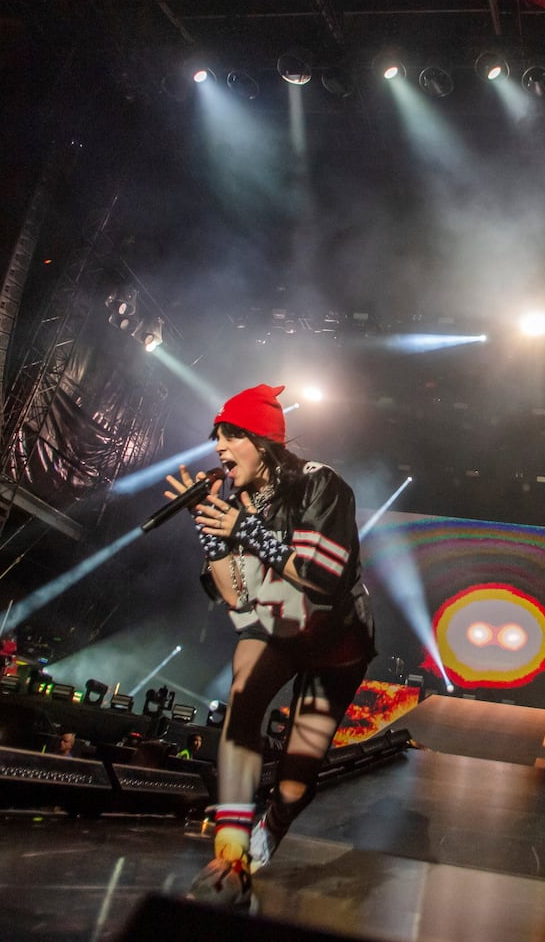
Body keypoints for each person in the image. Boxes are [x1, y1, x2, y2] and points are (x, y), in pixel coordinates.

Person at [163, 383, 375, 907]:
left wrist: (246, 529)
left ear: (263, 441)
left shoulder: (320, 485)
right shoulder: (235, 504)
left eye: (231, 435)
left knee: (297, 780)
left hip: (337, 638)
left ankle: (274, 824)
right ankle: (231, 845)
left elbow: (320, 577)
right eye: (216, 436)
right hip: (279, 624)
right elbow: (238, 598)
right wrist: (213, 532)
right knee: (245, 678)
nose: (218, 447)